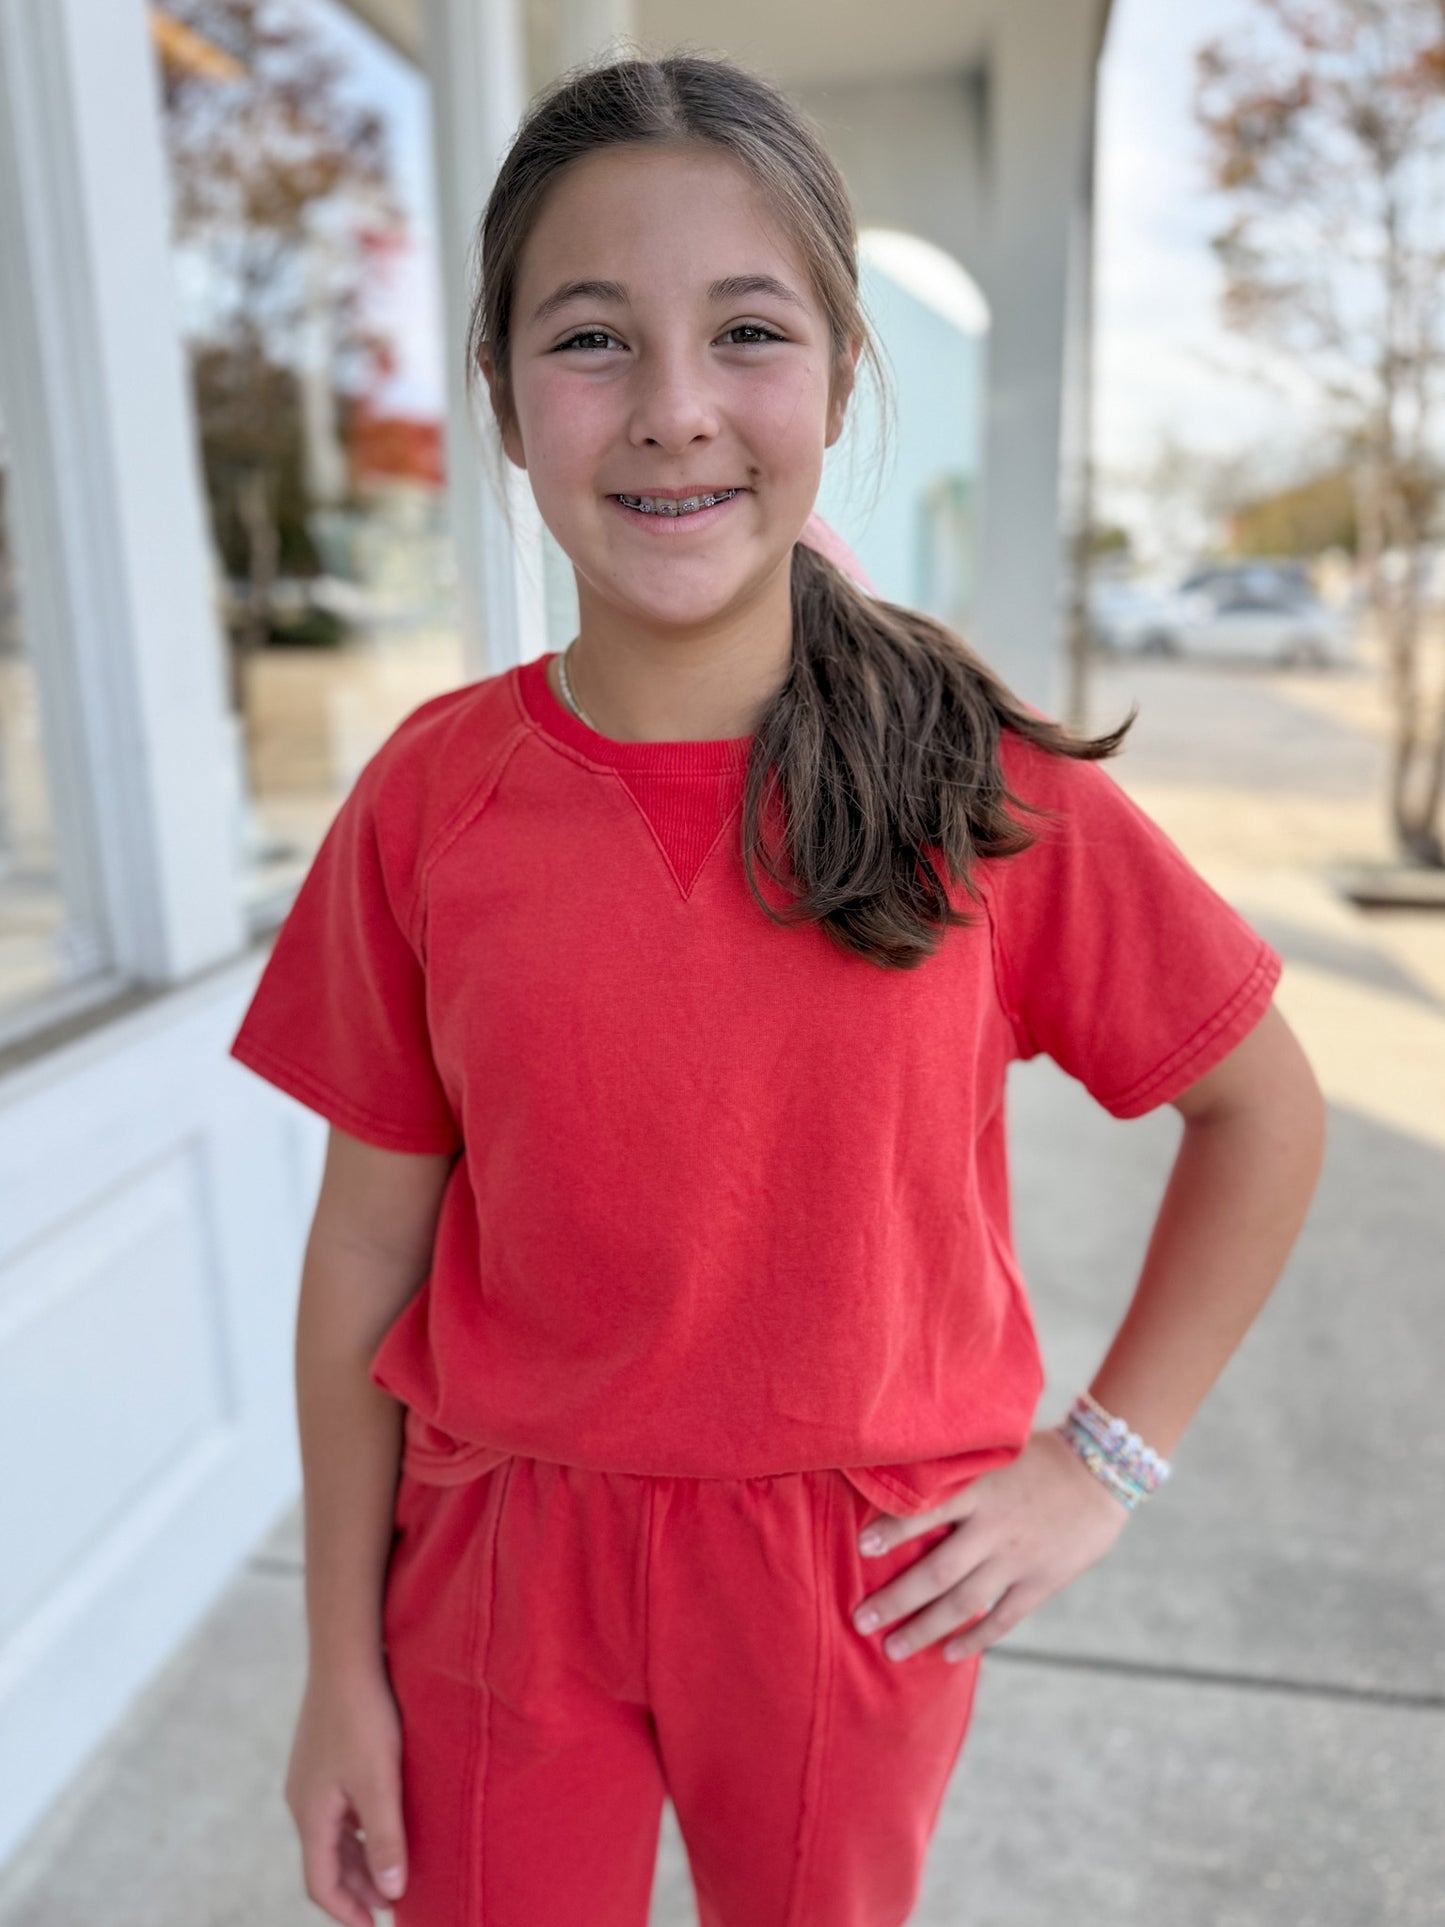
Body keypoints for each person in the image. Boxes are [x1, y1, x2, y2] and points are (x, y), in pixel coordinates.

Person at [227, 47, 1326, 1927]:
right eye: (589, 340)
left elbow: (1260, 1108)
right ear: (499, 398)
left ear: (835, 373)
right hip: (499, 1559)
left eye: (746, 332)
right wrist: (338, 1663)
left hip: (854, 1571)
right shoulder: (432, 797)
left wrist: (1101, 1461)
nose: (672, 412)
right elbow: (364, 1258)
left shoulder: (969, 781)